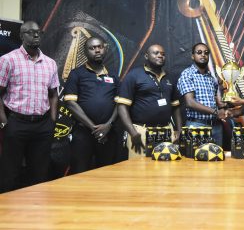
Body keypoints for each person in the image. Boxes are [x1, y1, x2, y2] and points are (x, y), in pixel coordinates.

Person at [0, 21, 59, 192]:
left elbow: (54, 95)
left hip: (42, 125)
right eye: (30, 32)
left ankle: (36, 213)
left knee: (40, 174)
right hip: (16, 123)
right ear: (21, 35)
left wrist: (52, 121)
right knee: (10, 173)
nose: (35, 35)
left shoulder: (50, 63)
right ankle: (6, 213)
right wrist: (4, 122)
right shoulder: (7, 60)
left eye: (38, 32)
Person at [63, 37, 119, 174]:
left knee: (106, 174)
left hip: (108, 133)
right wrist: (94, 128)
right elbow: (70, 103)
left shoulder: (113, 76)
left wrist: (108, 125)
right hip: (83, 133)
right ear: (85, 52)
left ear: (105, 49)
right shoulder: (76, 74)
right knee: (79, 173)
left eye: (99, 47)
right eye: (92, 48)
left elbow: (120, 104)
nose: (97, 50)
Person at [117, 44, 182, 157]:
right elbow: (122, 107)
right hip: (141, 132)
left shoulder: (169, 77)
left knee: (166, 170)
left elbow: (176, 106)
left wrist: (179, 130)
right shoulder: (134, 75)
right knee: (140, 170)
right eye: (156, 53)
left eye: (163, 54)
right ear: (146, 56)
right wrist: (132, 132)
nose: (160, 56)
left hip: (166, 131)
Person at [177, 43, 227, 146]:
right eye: (199, 52)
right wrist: (215, 112)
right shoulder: (187, 74)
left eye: (206, 53)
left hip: (216, 126)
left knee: (217, 159)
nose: (203, 55)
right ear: (193, 56)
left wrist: (226, 105)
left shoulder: (211, 77)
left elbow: (216, 101)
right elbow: (190, 102)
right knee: (196, 161)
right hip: (196, 126)